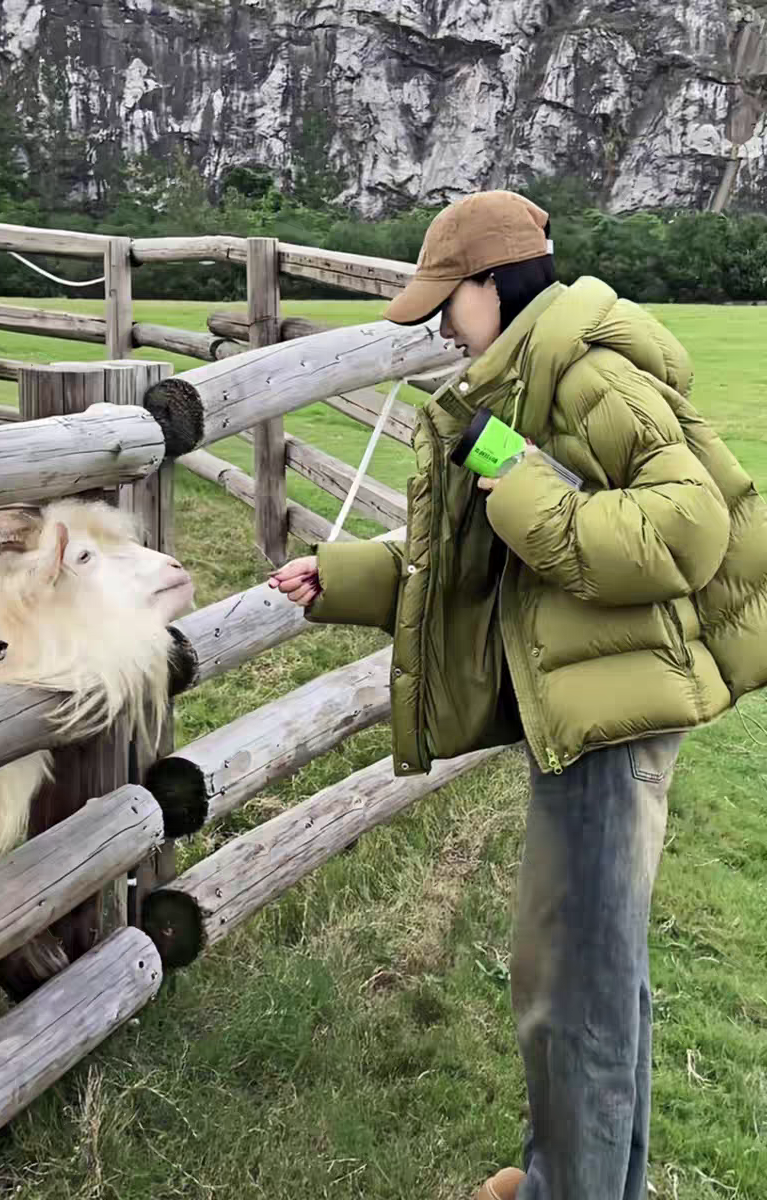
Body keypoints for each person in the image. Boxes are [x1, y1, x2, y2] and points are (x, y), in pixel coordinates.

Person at [269, 191, 767, 1200]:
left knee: (570, 984)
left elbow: (686, 529)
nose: (442, 330)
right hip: (595, 701)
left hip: (609, 717)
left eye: (447, 305)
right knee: (594, 975)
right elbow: (484, 563)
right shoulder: (526, 374)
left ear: (492, 286)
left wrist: (525, 490)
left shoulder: (583, 372)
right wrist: (346, 577)